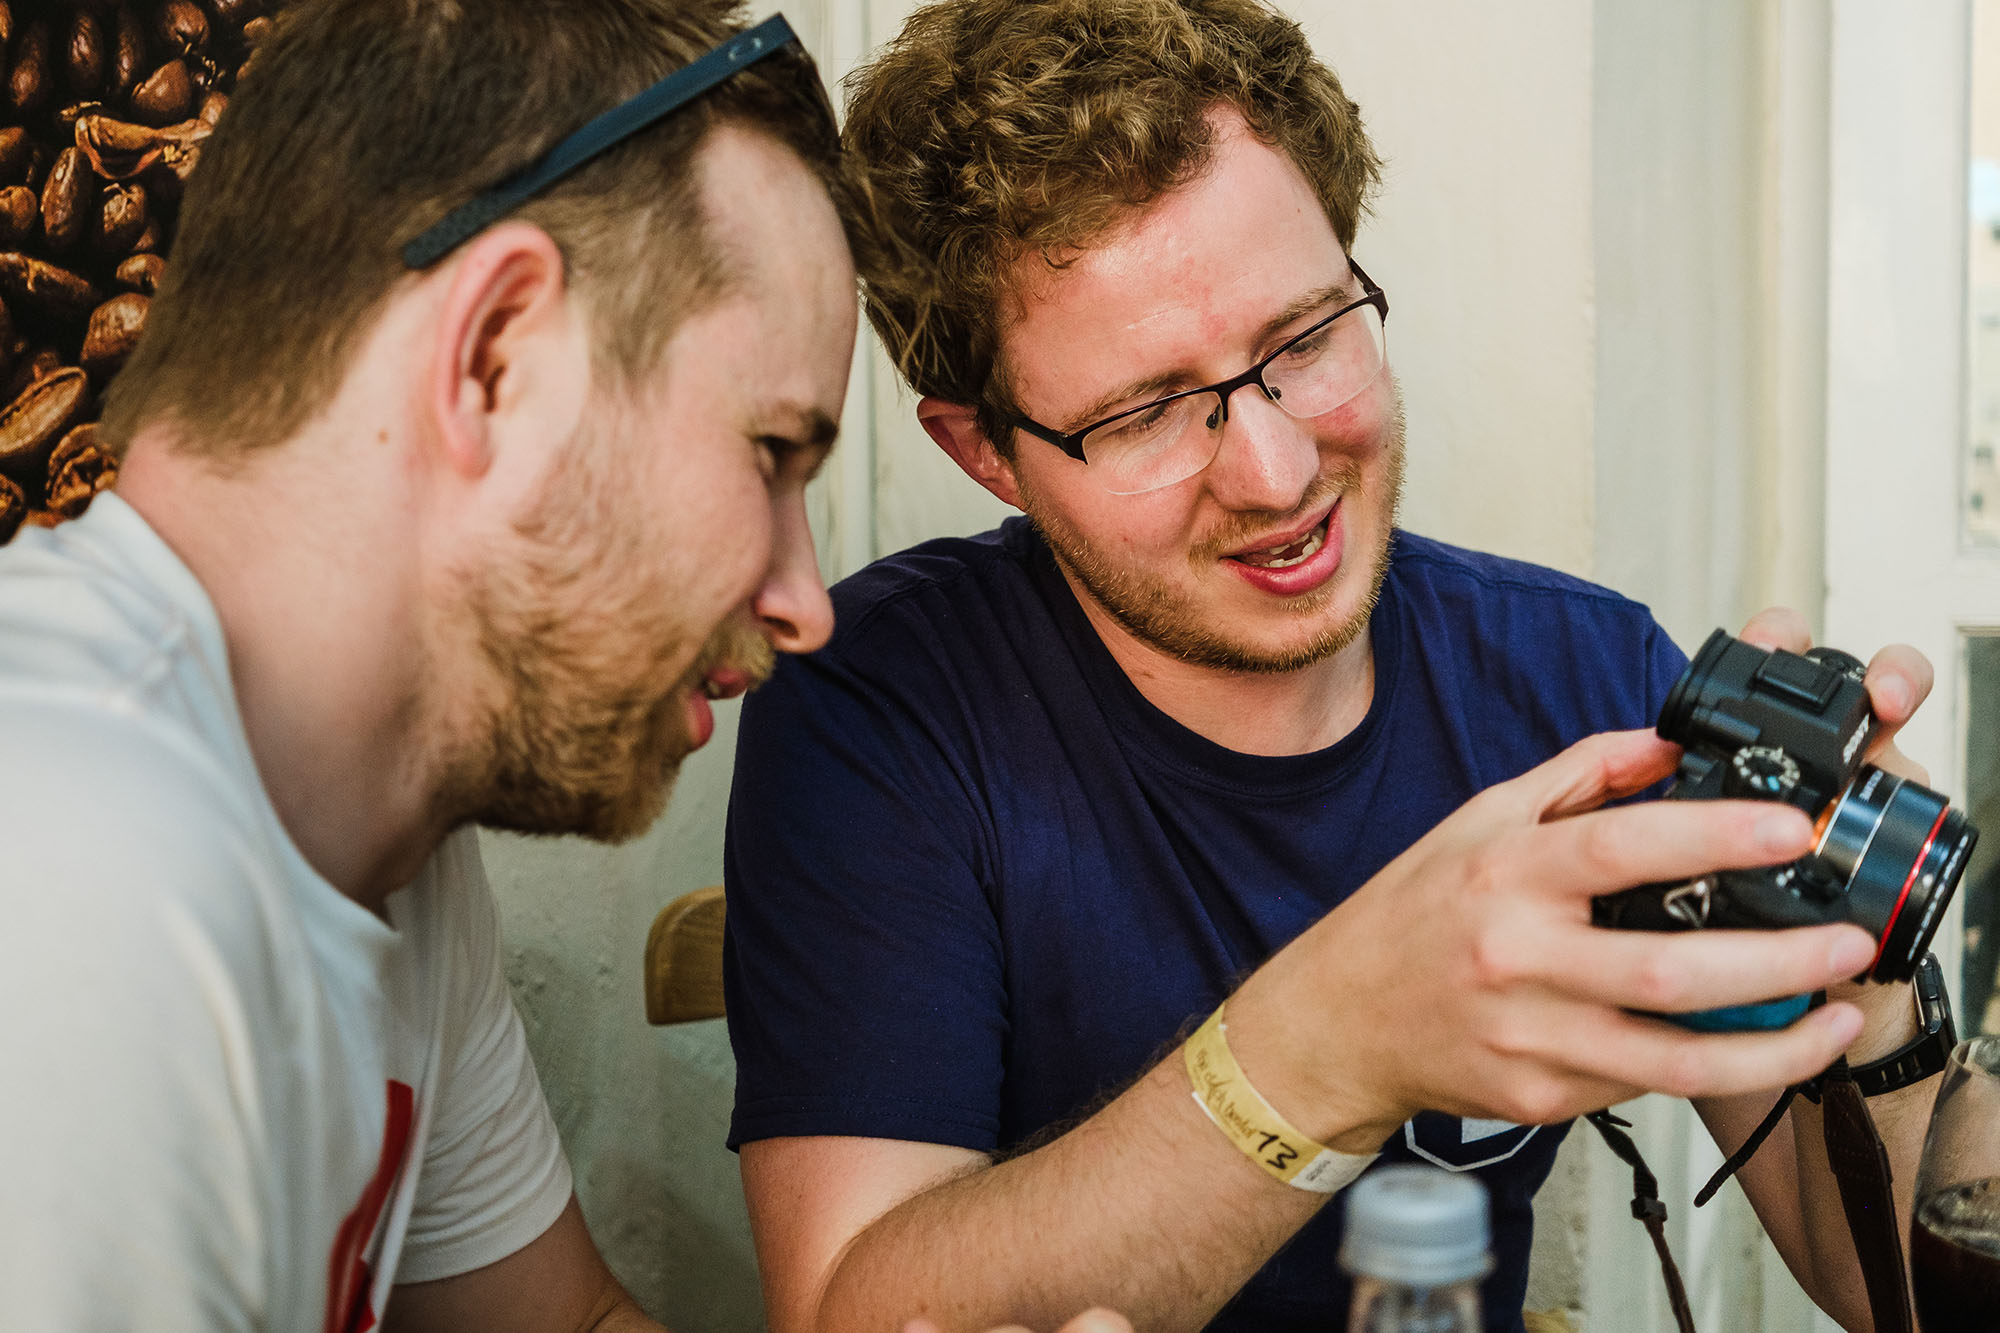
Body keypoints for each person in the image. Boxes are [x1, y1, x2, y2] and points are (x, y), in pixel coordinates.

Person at [720, 2, 1946, 1330]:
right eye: (1145, 412)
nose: (1280, 472)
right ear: (985, 452)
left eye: (1306, 341)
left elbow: (1881, 1283)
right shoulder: (882, 710)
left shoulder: (1578, 678)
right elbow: (854, 1305)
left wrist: (1865, 959)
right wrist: (1342, 1033)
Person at [0, 1, 873, 1328]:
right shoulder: (77, 870)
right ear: (493, 358)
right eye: (770, 454)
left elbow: (559, 1320)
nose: (805, 604)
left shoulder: (381, 854)